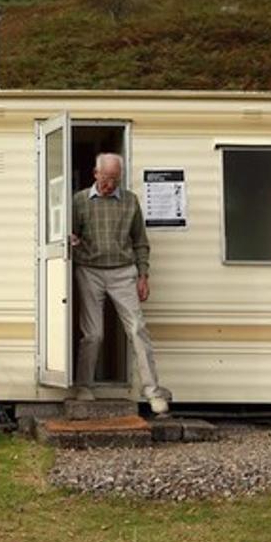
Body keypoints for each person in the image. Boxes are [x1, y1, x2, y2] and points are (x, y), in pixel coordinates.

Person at [70, 153, 171, 415]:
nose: (109, 185)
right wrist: (71, 240)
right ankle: (83, 386)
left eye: (115, 179)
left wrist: (143, 275)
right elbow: (70, 234)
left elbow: (140, 241)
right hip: (89, 271)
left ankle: (152, 392)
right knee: (94, 334)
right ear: (95, 174)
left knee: (137, 329)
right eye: (105, 179)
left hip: (123, 271)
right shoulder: (79, 201)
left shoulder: (130, 201)